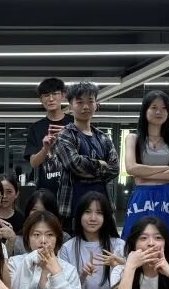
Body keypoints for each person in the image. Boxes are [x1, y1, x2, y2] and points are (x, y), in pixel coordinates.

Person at [121, 91, 169, 269]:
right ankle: (132, 283)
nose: (159, 112)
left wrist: (144, 173)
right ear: (145, 110)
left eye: (164, 108)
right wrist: (168, 169)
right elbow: (131, 168)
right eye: (154, 107)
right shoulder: (133, 138)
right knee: (136, 242)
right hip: (142, 197)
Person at [50, 82, 119, 233]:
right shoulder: (64, 135)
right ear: (70, 106)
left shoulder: (103, 138)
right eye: (80, 102)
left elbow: (114, 169)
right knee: (73, 245)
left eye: (90, 101)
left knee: (104, 245)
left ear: (96, 105)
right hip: (73, 204)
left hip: (103, 204)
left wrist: (87, 169)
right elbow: (74, 164)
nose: (85, 106)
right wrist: (101, 164)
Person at [25, 78, 72, 195]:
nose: (51, 99)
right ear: (41, 99)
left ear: (63, 95)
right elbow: (33, 163)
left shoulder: (74, 124)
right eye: (46, 95)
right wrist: (45, 148)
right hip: (46, 190)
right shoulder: (36, 128)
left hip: (72, 188)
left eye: (55, 94)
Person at [12, 188, 70, 254]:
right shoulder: (19, 239)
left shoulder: (65, 238)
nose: (39, 215)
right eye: (34, 210)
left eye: (50, 234)